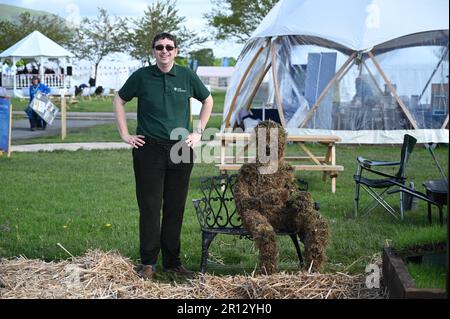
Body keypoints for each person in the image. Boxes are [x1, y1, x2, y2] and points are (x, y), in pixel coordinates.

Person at [113, 32, 213, 279]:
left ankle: (172, 262)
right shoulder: (142, 76)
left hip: (181, 148)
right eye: (160, 47)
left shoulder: (187, 76)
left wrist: (198, 132)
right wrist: (125, 134)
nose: (164, 51)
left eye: (169, 47)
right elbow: (119, 99)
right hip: (149, 148)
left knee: (175, 206)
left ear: (176, 51)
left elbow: (208, 100)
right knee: (150, 205)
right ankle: (148, 261)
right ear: (153, 51)